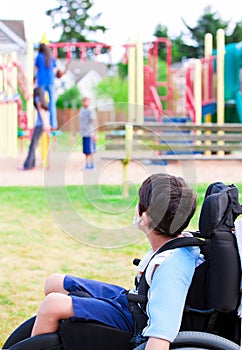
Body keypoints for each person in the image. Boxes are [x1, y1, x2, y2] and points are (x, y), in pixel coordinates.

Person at [30, 173, 201, 350]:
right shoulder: (177, 242)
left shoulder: (172, 267)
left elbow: (161, 336)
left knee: (52, 305)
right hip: (133, 300)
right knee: (54, 283)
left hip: (137, 321)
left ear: (146, 217)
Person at [19, 77, 50, 170]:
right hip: (42, 124)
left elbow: (42, 112)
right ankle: (31, 164)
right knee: (33, 145)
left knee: (32, 145)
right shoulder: (42, 96)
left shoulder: (38, 97)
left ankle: (28, 165)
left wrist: (46, 124)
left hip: (40, 125)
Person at [35, 43, 58, 129]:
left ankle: (42, 122)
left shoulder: (39, 57)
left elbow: (36, 69)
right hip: (51, 81)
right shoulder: (51, 57)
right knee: (52, 103)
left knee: (40, 102)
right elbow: (55, 70)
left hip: (41, 82)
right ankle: (53, 123)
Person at [79, 97, 98, 170]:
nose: (85, 103)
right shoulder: (82, 110)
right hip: (84, 133)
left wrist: (96, 134)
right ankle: (87, 164)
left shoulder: (91, 110)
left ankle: (92, 164)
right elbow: (81, 123)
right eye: (84, 101)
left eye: (86, 101)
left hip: (90, 133)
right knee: (86, 151)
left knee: (91, 150)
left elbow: (95, 122)